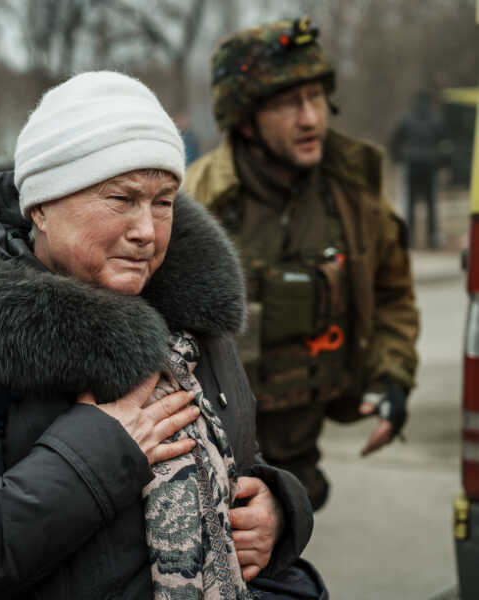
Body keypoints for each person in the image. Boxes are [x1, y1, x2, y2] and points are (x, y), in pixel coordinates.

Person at [0, 71, 319, 599]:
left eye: (163, 202)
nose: (147, 231)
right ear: (41, 206)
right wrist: (101, 450)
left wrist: (278, 509)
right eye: (121, 198)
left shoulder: (191, 326)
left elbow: (239, 461)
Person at [184, 17, 420, 510]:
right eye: (289, 104)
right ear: (246, 120)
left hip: (300, 456)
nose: (311, 118)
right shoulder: (196, 202)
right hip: (211, 465)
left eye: (316, 98)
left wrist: (391, 380)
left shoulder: (353, 193)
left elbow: (392, 295)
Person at [390, 90, 449, 249]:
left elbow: (395, 139)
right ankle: (433, 239)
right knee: (431, 204)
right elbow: (445, 142)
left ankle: (409, 239)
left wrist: (397, 158)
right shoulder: (436, 118)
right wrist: (444, 163)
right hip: (431, 164)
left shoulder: (407, 118)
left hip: (412, 163)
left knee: (410, 203)